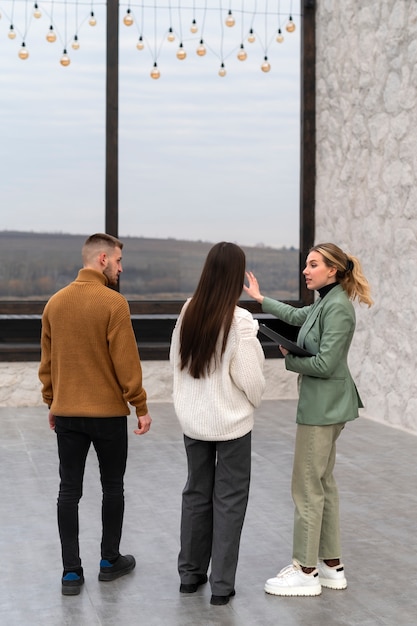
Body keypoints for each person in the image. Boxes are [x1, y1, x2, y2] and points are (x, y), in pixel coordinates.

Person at [244, 242, 373, 597]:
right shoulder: (325, 302)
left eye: (313, 264)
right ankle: (332, 566)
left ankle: (305, 570)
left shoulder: (339, 309)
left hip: (323, 408)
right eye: (306, 264)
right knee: (323, 484)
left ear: (332, 270)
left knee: (306, 487)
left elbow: (325, 364)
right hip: (326, 405)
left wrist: (289, 357)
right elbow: (298, 317)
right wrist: (261, 299)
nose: (306, 270)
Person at [38, 233, 152, 596]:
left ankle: (71, 572)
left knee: (68, 490)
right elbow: (126, 364)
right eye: (118, 261)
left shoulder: (54, 304)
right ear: (102, 259)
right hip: (107, 417)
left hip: (68, 415)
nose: (121, 267)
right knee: (112, 487)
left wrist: (52, 401)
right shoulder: (113, 303)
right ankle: (109, 560)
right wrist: (140, 405)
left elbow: (47, 364)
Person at [170, 242, 266, 606]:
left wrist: (185, 406)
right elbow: (251, 378)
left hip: (194, 422)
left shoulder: (187, 311)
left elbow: (176, 365)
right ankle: (221, 587)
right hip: (231, 424)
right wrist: (253, 403)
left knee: (195, 494)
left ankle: (189, 576)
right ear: (235, 277)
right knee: (229, 500)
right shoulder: (239, 320)